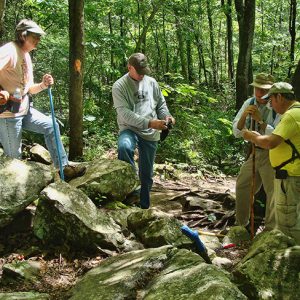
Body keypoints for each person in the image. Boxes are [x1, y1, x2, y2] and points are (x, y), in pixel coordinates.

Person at [0, 19, 85, 181]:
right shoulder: (9, 51)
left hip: (24, 109)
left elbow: (29, 88)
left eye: (39, 36)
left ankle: (63, 168)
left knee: (51, 125)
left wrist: (43, 85)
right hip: (8, 116)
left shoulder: (25, 55)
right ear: (23, 35)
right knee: (14, 160)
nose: (38, 40)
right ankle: (14, 201)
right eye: (35, 36)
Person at [112, 53, 175, 209]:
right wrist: (149, 123)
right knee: (124, 147)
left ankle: (144, 207)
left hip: (150, 133)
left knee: (146, 175)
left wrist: (167, 117)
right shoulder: (119, 86)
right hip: (130, 128)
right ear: (129, 67)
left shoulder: (152, 83)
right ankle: (131, 191)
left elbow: (161, 105)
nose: (142, 75)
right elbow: (124, 114)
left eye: (144, 71)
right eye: (139, 72)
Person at [242, 82, 300, 244]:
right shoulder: (297, 112)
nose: (271, 105)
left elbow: (270, 142)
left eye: (271, 101)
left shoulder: (290, 116)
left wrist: (252, 136)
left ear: (279, 97)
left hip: (290, 178)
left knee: (288, 226)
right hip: (293, 175)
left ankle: (290, 263)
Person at [232, 73, 280, 231]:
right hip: (255, 152)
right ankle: (241, 225)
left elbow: (277, 135)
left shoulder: (277, 106)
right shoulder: (250, 102)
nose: (259, 93)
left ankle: (271, 230)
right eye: (257, 89)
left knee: (272, 191)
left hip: (272, 153)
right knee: (242, 184)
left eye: (263, 90)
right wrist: (245, 114)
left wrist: (260, 120)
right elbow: (236, 131)